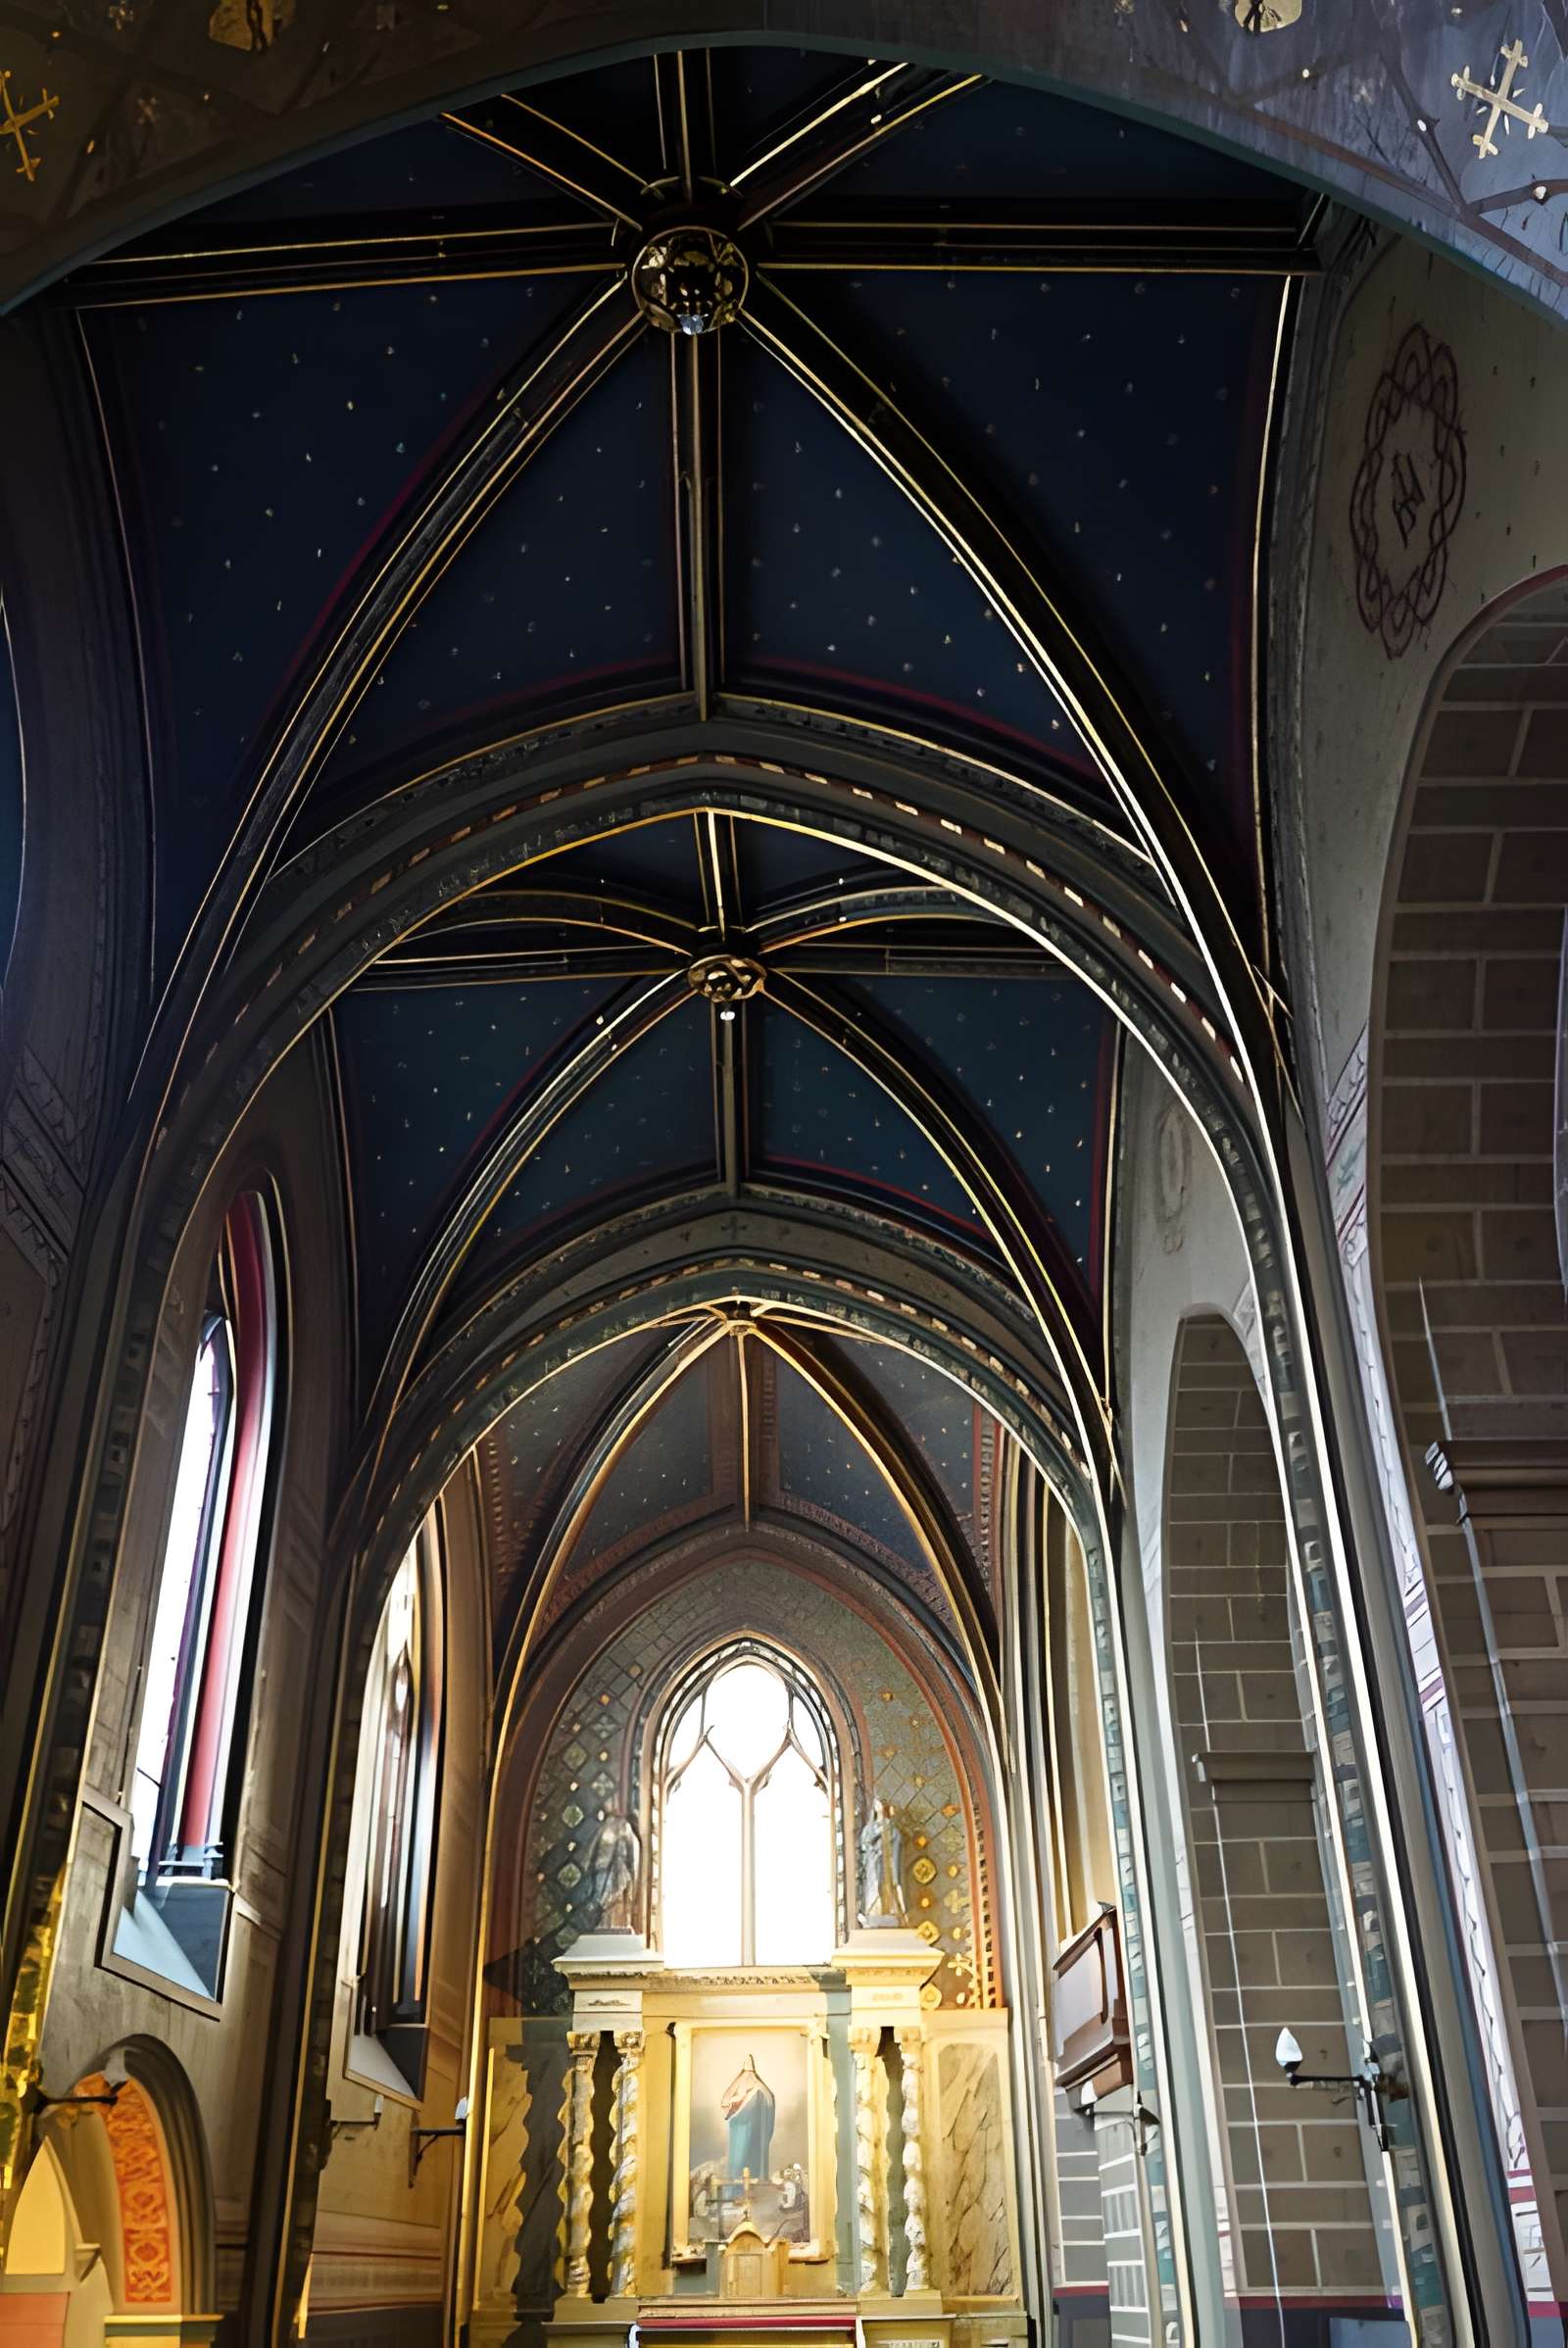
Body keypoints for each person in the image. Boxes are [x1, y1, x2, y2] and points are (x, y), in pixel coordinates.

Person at [720, 2054, 775, 2181]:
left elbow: (769, 2099)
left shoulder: (759, 2097)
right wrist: (744, 2073)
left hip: (755, 2153)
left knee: (753, 2182)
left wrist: (754, 2075)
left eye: (752, 2077)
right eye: (748, 2078)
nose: (749, 2080)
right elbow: (725, 2101)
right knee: (737, 2179)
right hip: (737, 2152)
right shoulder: (737, 2102)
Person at [585, 1810, 640, 1932]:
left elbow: (632, 1856)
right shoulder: (602, 1828)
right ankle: (603, 1923)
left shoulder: (625, 1827)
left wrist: (631, 1872)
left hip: (619, 1872)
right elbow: (591, 1853)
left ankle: (618, 1923)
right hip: (602, 1871)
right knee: (603, 1901)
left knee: (617, 1899)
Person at [858, 1796, 906, 1925]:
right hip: (873, 1864)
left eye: (880, 1804)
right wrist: (872, 1850)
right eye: (876, 1805)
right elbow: (864, 1845)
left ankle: (892, 1911)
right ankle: (873, 1912)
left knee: (888, 1885)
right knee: (874, 1886)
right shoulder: (869, 1828)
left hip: (887, 1864)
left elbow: (896, 1843)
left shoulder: (891, 1828)